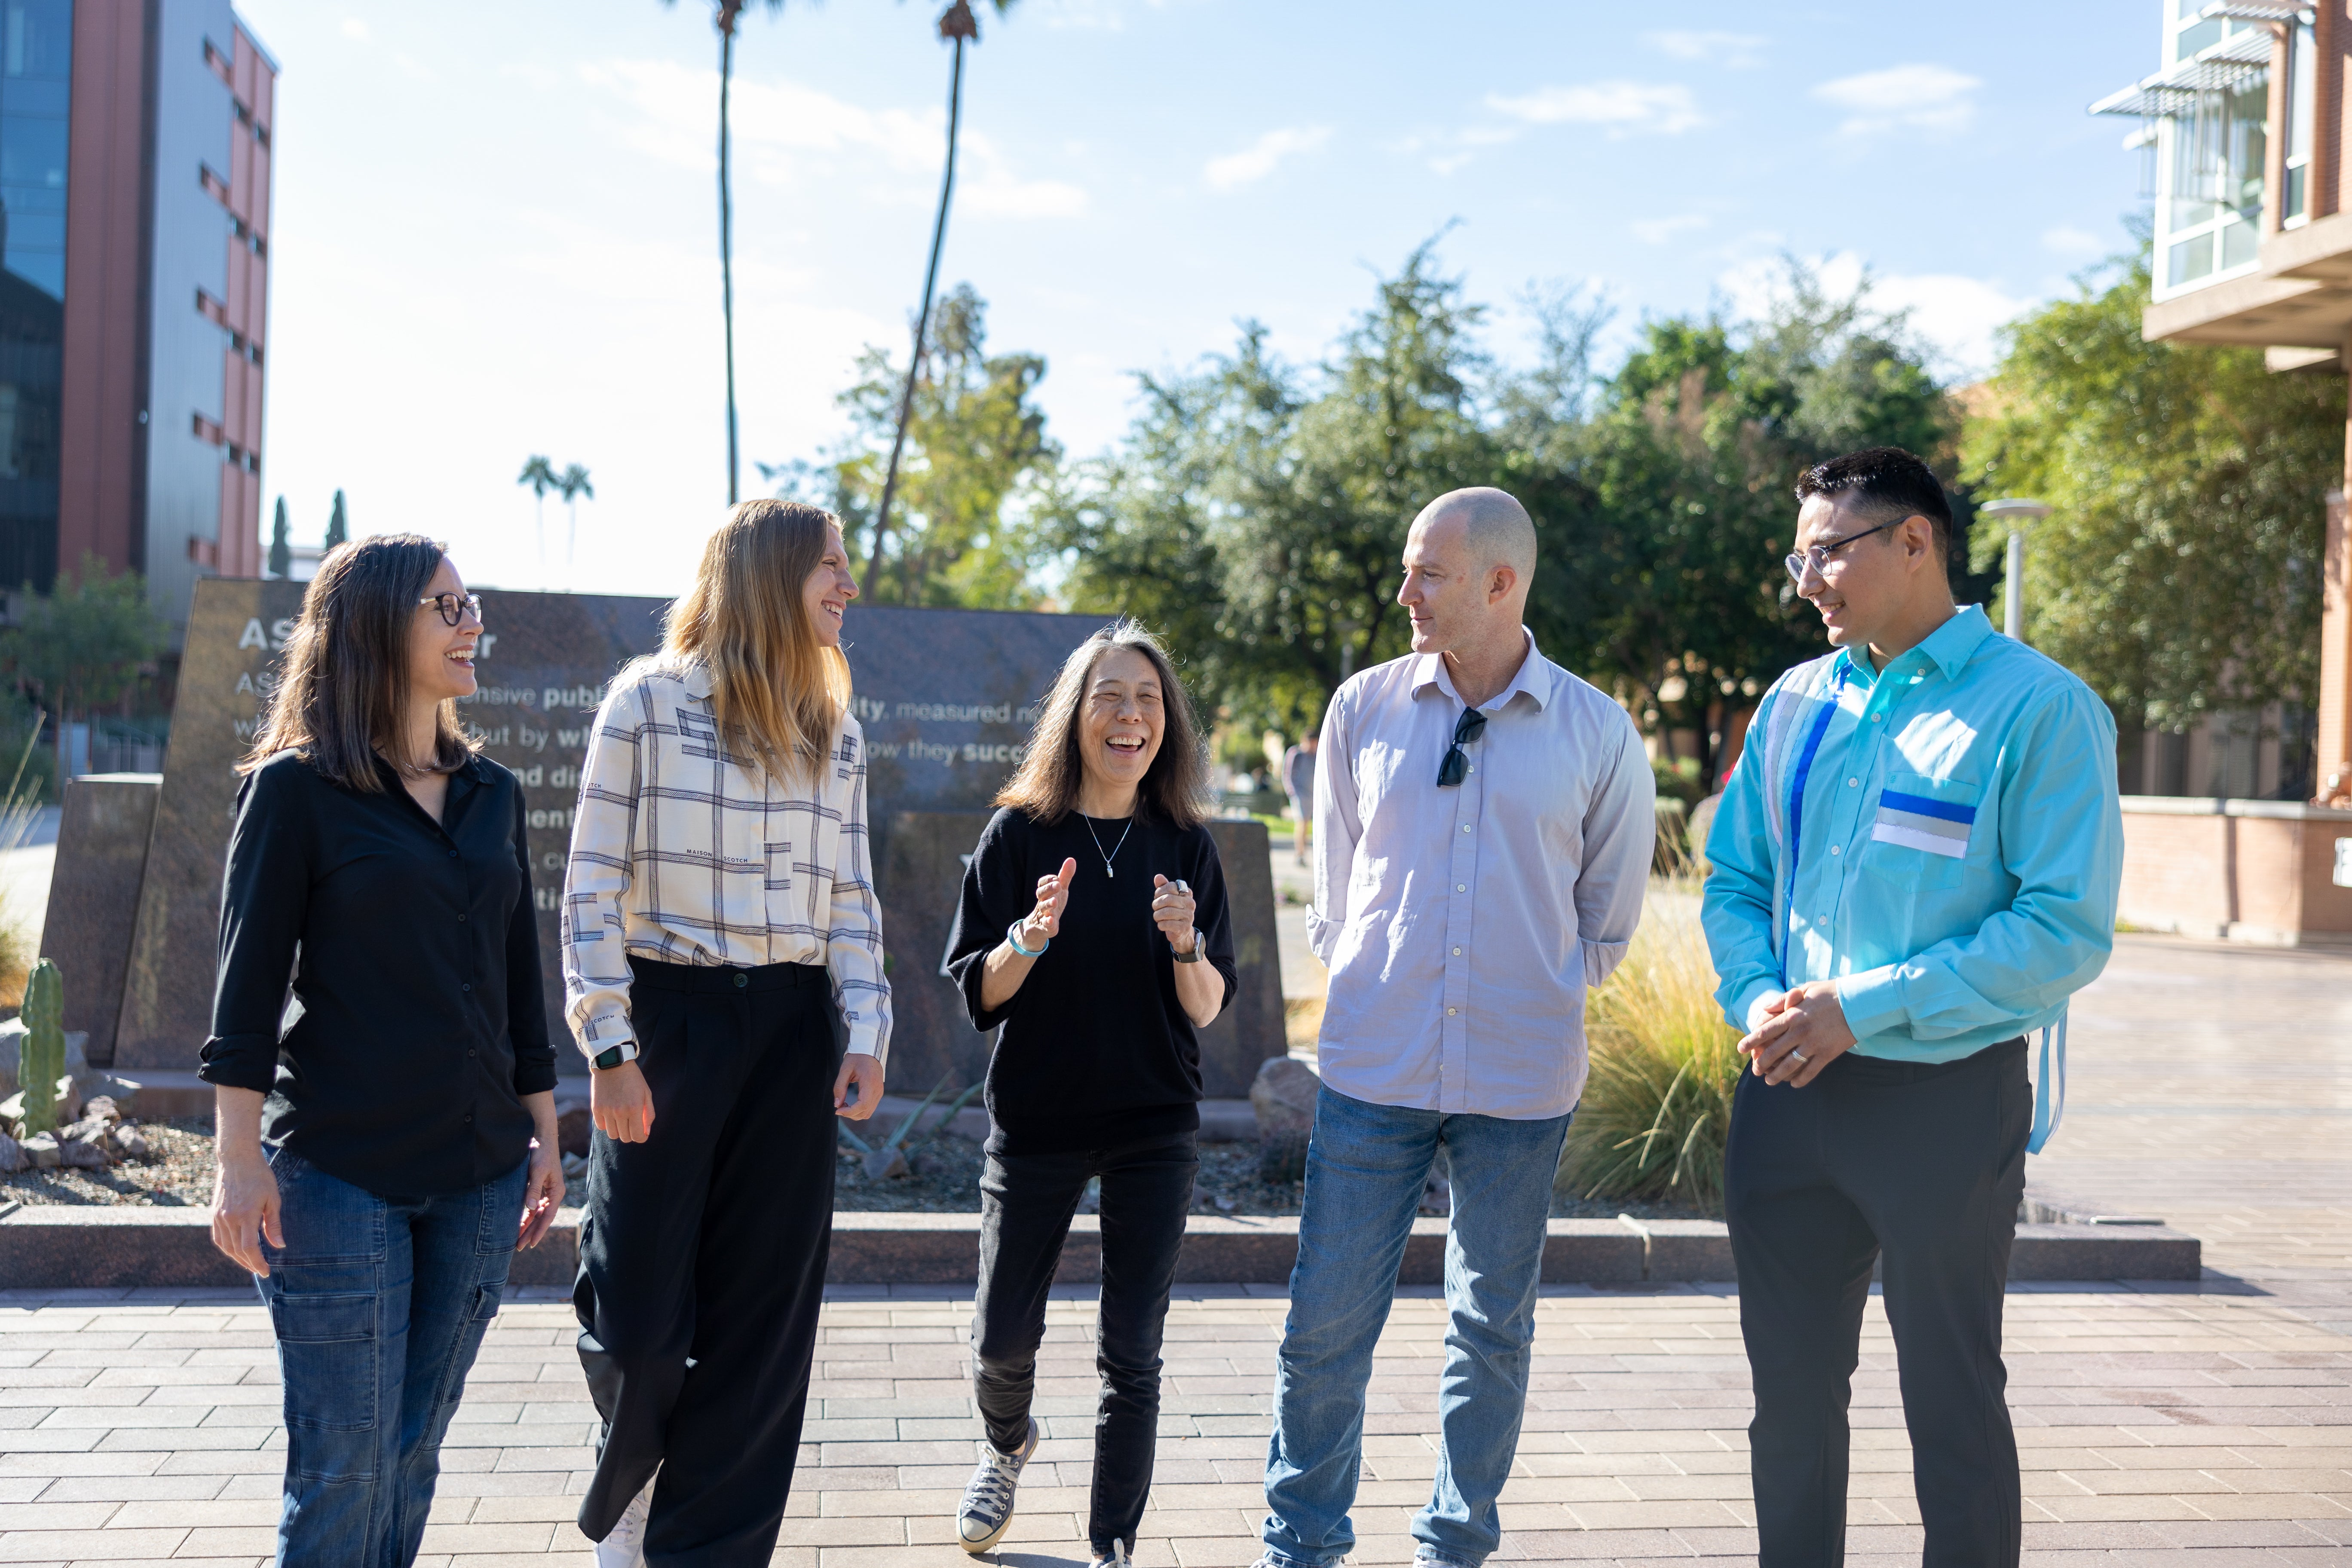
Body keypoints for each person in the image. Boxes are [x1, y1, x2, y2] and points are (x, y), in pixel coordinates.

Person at [1702, 447, 2123, 1568]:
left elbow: (2061, 931)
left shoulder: (2040, 710)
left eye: (1830, 552)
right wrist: (1759, 999)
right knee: (1787, 1404)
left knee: (1952, 1403)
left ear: (1916, 543)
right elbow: (1737, 880)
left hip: (1942, 1101)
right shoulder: (1797, 701)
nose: (1809, 581)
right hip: (1785, 1090)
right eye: (1800, 557)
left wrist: (1864, 1008)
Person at [1258, 488, 1655, 1568]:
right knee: (1324, 1327)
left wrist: (1542, 986)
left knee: (1489, 1331)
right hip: (1371, 1069)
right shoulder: (1362, 708)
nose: (1405, 595)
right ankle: (1299, 1544)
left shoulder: (1596, 730)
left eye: (1426, 574)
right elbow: (1334, 880)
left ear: (1498, 583)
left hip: (1520, 1085)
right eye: (1404, 570)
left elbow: (1609, 916)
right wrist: (1358, 967)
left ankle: (1453, 1545)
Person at [204, 536, 565, 1568]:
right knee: (345, 1463)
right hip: (339, 1175)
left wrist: (543, 1138)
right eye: (445, 607)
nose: (471, 623)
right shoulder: (292, 792)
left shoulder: (494, 792)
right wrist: (236, 1163)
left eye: (471, 603)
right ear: (375, 628)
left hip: (482, 1176)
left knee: (412, 1454)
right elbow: (246, 990)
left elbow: (517, 979)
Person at [561, 499, 891, 1568]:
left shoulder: (835, 729)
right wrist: (610, 1045)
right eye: (829, 568)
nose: (848, 587)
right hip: (669, 1019)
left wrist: (866, 1027)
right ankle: (637, 1470)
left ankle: (703, 1551)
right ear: (766, 576)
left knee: (761, 1328)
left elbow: (851, 896)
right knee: (642, 1321)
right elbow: (587, 894)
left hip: (793, 1027)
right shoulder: (645, 704)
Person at [942, 619, 1237, 1568]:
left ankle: (1113, 1542)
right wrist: (1027, 939)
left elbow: (1207, 1005)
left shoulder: (1186, 845)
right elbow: (977, 993)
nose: (1130, 716)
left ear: (1168, 725)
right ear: (1075, 717)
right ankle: (1006, 1443)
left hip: (1154, 1123)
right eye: (1110, 696)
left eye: (1148, 700)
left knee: (1132, 1353)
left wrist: (1186, 943)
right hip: (1038, 1120)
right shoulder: (1019, 834)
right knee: (1000, 1338)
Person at [1280, 731, 1318, 866]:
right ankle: (1300, 853)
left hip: (1312, 795)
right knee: (1302, 823)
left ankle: (1304, 853)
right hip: (1299, 794)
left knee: (1308, 824)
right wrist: (1292, 793)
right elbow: (1287, 774)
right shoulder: (1296, 754)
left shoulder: (1316, 755)